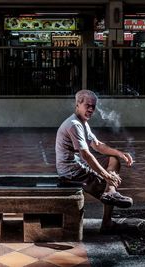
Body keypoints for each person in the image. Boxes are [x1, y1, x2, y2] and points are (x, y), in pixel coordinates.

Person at [55, 89, 134, 233]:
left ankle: (110, 191)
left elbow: (97, 146)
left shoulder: (83, 123)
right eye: (87, 105)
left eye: (93, 106)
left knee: (113, 159)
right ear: (78, 104)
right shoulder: (74, 124)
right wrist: (107, 176)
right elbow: (86, 155)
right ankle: (107, 221)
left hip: (79, 166)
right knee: (106, 184)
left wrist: (120, 153)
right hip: (71, 172)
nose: (91, 109)